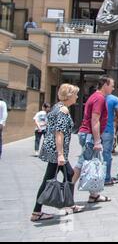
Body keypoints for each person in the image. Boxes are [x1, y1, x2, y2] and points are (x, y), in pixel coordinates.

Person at [31, 84, 84, 222]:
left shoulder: (56, 107)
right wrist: (60, 154)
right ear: (69, 95)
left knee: (70, 174)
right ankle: (37, 212)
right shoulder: (63, 110)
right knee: (48, 180)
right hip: (57, 151)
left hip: (54, 150)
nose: (77, 97)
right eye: (75, 94)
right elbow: (59, 133)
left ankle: (69, 204)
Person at [73, 75, 114, 203]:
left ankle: (94, 194)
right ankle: (67, 192)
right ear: (105, 85)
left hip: (87, 134)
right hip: (90, 136)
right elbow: (95, 120)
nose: (113, 88)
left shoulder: (96, 97)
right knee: (82, 163)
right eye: (112, 85)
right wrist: (97, 141)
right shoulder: (99, 98)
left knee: (94, 163)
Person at [102, 93, 118, 186]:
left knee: (95, 154)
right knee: (107, 154)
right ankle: (106, 178)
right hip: (107, 129)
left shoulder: (94, 97)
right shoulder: (114, 99)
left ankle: (96, 176)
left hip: (95, 130)